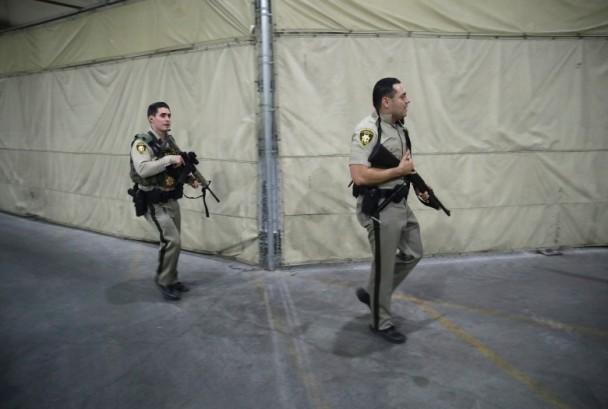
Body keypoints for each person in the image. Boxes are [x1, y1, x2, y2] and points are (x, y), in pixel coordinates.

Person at [349, 78, 430, 344]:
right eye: (402, 96)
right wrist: (398, 171)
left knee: (414, 252)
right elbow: (359, 175)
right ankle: (380, 323)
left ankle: (374, 293)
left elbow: (403, 166)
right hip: (380, 209)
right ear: (386, 101)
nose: (408, 100)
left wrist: (419, 185)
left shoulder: (399, 127)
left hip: (399, 203)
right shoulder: (367, 130)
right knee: (384, 268)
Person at [129, 101, 201, 301]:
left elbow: (174, 169)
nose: (167, 119)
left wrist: (188, 179)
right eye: (162, 115)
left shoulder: (169, 142)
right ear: (151, 119)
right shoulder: (141, 143)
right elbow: (143, 169)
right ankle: (163, 280)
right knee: (172, 241)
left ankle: (171, 278)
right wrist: (170, 159)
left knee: (173, 243)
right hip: (153, 202)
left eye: (169, 115)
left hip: (170, 199)